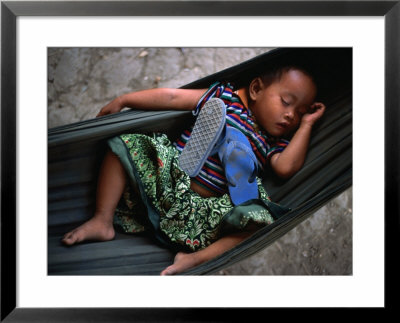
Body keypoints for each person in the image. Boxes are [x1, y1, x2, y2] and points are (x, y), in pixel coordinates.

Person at [61, 65, 326, 275]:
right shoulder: (224, 97)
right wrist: (125, 99)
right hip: (168, 183)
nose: (291, 115)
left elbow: (285, 168)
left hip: (205, 218)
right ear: (256, 89)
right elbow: (172, 97)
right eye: (286, 102)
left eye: (299, 112)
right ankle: (102, 219)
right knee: (125, 145)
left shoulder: (272, 142)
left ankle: (193, 259)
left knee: (259, 221)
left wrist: (307, 125)